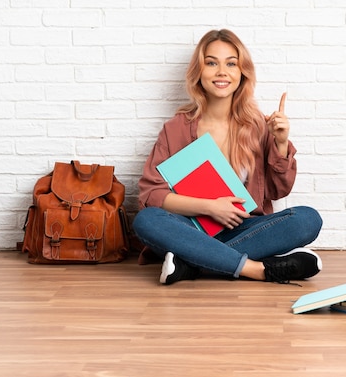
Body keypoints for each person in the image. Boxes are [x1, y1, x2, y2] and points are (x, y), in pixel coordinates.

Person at [132, 29, 323, 285]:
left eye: (231, 63)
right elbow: (151, 195)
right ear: (199, 72)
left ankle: (190, 264)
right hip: (188, 228)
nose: (222, 71)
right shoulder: (176, 128)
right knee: (147, 220)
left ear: (241, 72)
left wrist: (280, 142)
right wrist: (210, 207)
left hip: (244, 228)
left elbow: (279, 191)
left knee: (307, 219)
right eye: (212, 63)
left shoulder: (258, 125)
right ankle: (257, 269)